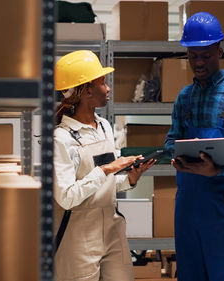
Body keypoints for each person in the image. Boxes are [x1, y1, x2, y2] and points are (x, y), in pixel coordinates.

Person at [165, 12, 224, 281]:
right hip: (188, 205)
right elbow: (171, 140)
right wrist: (177, 155)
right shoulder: (185, 97)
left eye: (205, 55)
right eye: (192, 56)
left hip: (223, 205)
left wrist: (216, 171)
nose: (198, 62)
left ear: (220, 51)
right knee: (189, 273)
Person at [53, 50, 155, 281]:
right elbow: (67, 197)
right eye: (102, 82)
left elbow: (103, 186)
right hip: (78, 236)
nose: (108, 88)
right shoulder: (62, 138)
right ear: (86, 89)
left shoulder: (104, 126)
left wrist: (129, 179)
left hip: (112, 228)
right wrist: (107, 169)